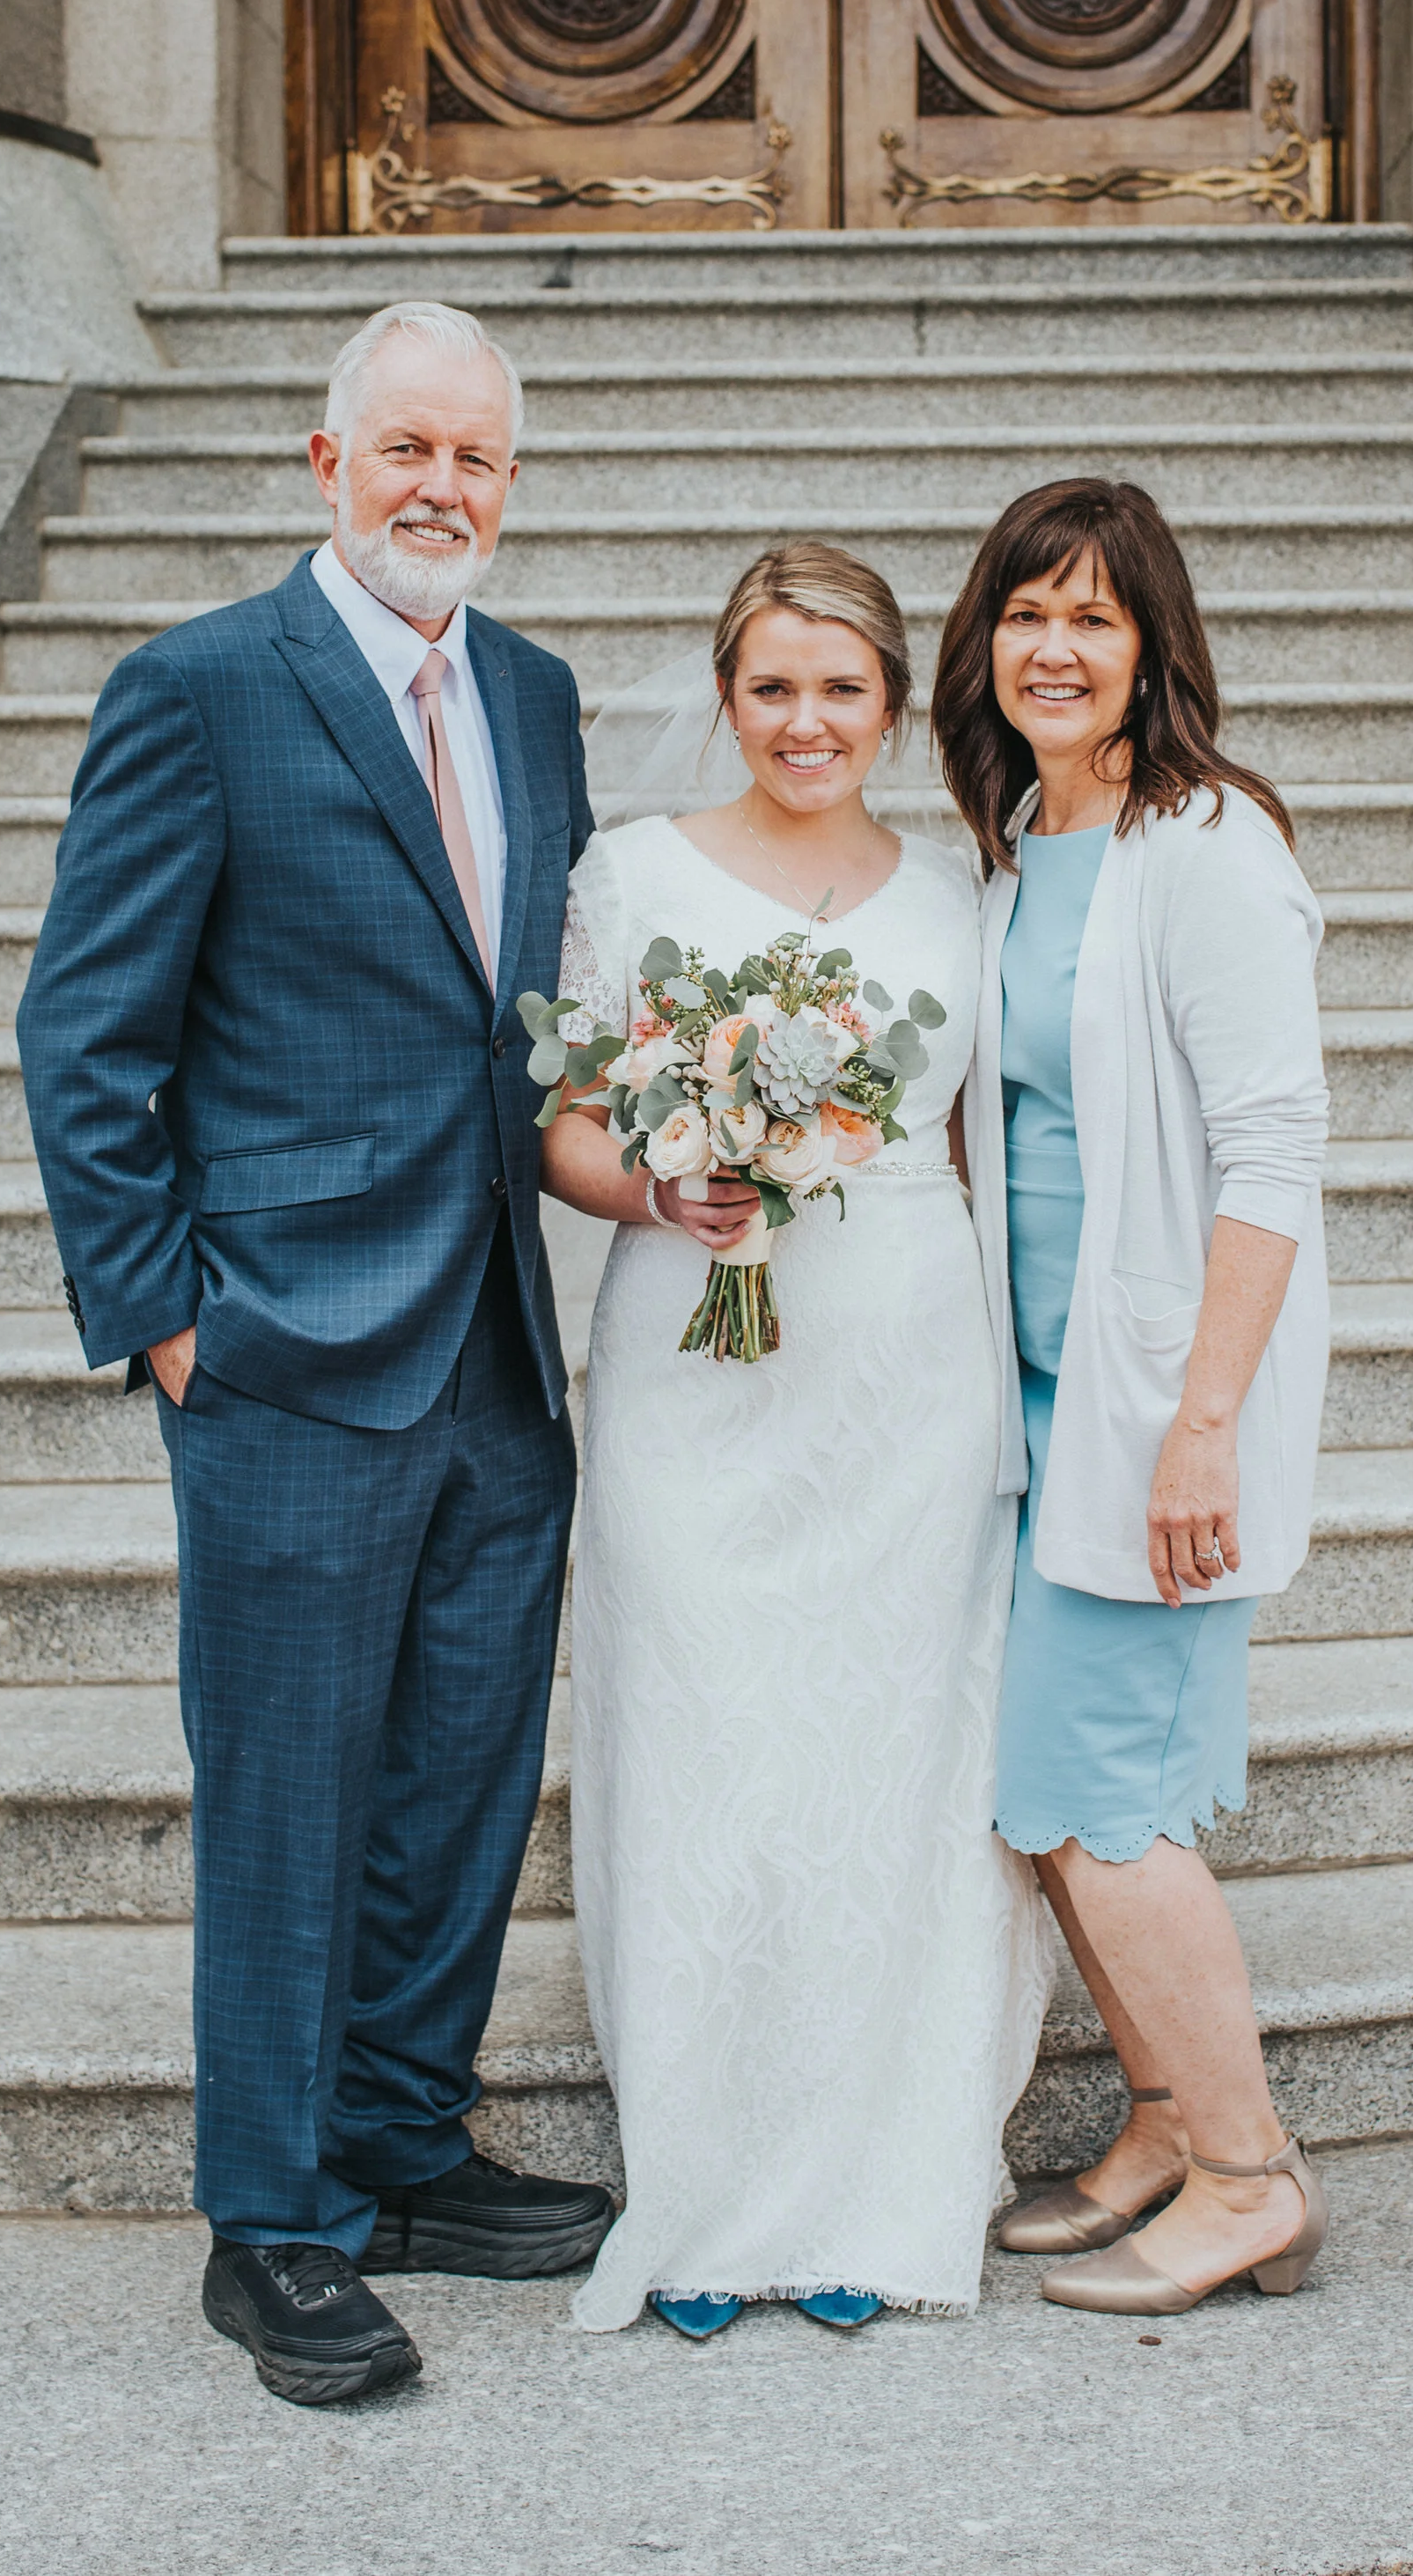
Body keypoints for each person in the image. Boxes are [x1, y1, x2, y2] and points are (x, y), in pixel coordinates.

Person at [18, 301, 615, 2406]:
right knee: (289, 1797)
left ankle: (398, 2142)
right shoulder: (198, 690)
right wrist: (169, 1321)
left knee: (454, 1785)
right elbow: (85, 1040)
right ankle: (271, 2217)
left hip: (494, 1353)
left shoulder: (536, 698)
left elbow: (513, 1013)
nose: (442, 487)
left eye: (479, 458)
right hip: (279, 1355)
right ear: (324, 460)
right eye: (407, 450)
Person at [542, 544, 1050, 2337]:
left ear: (894, 704)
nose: (803, 721)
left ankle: (874, 2187)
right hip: (695, 1364)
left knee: (890, 1774)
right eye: (770, 687)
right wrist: (667, 1174)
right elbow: (568, 1135)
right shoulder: (632, 874)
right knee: (707, 1757)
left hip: (902, 1372)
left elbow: (991, 1148)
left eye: (838, 688)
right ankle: (701, 2196)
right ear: (726, 692)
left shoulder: (958, 891)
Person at [932, 476, 1332, 2320]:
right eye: (1027, 613)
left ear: (1150, 645)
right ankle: (1163, 2119)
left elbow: (1269, 1155)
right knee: (1051, 1797)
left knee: (1098, 1795)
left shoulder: (1206, 844)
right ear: (984, 643)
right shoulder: (1020, 843)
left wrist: (1199, 1424)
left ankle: (1247, 2173)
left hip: (1157, 1408)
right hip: (1030, 1396)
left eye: (1094, 617)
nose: (1056, 647)